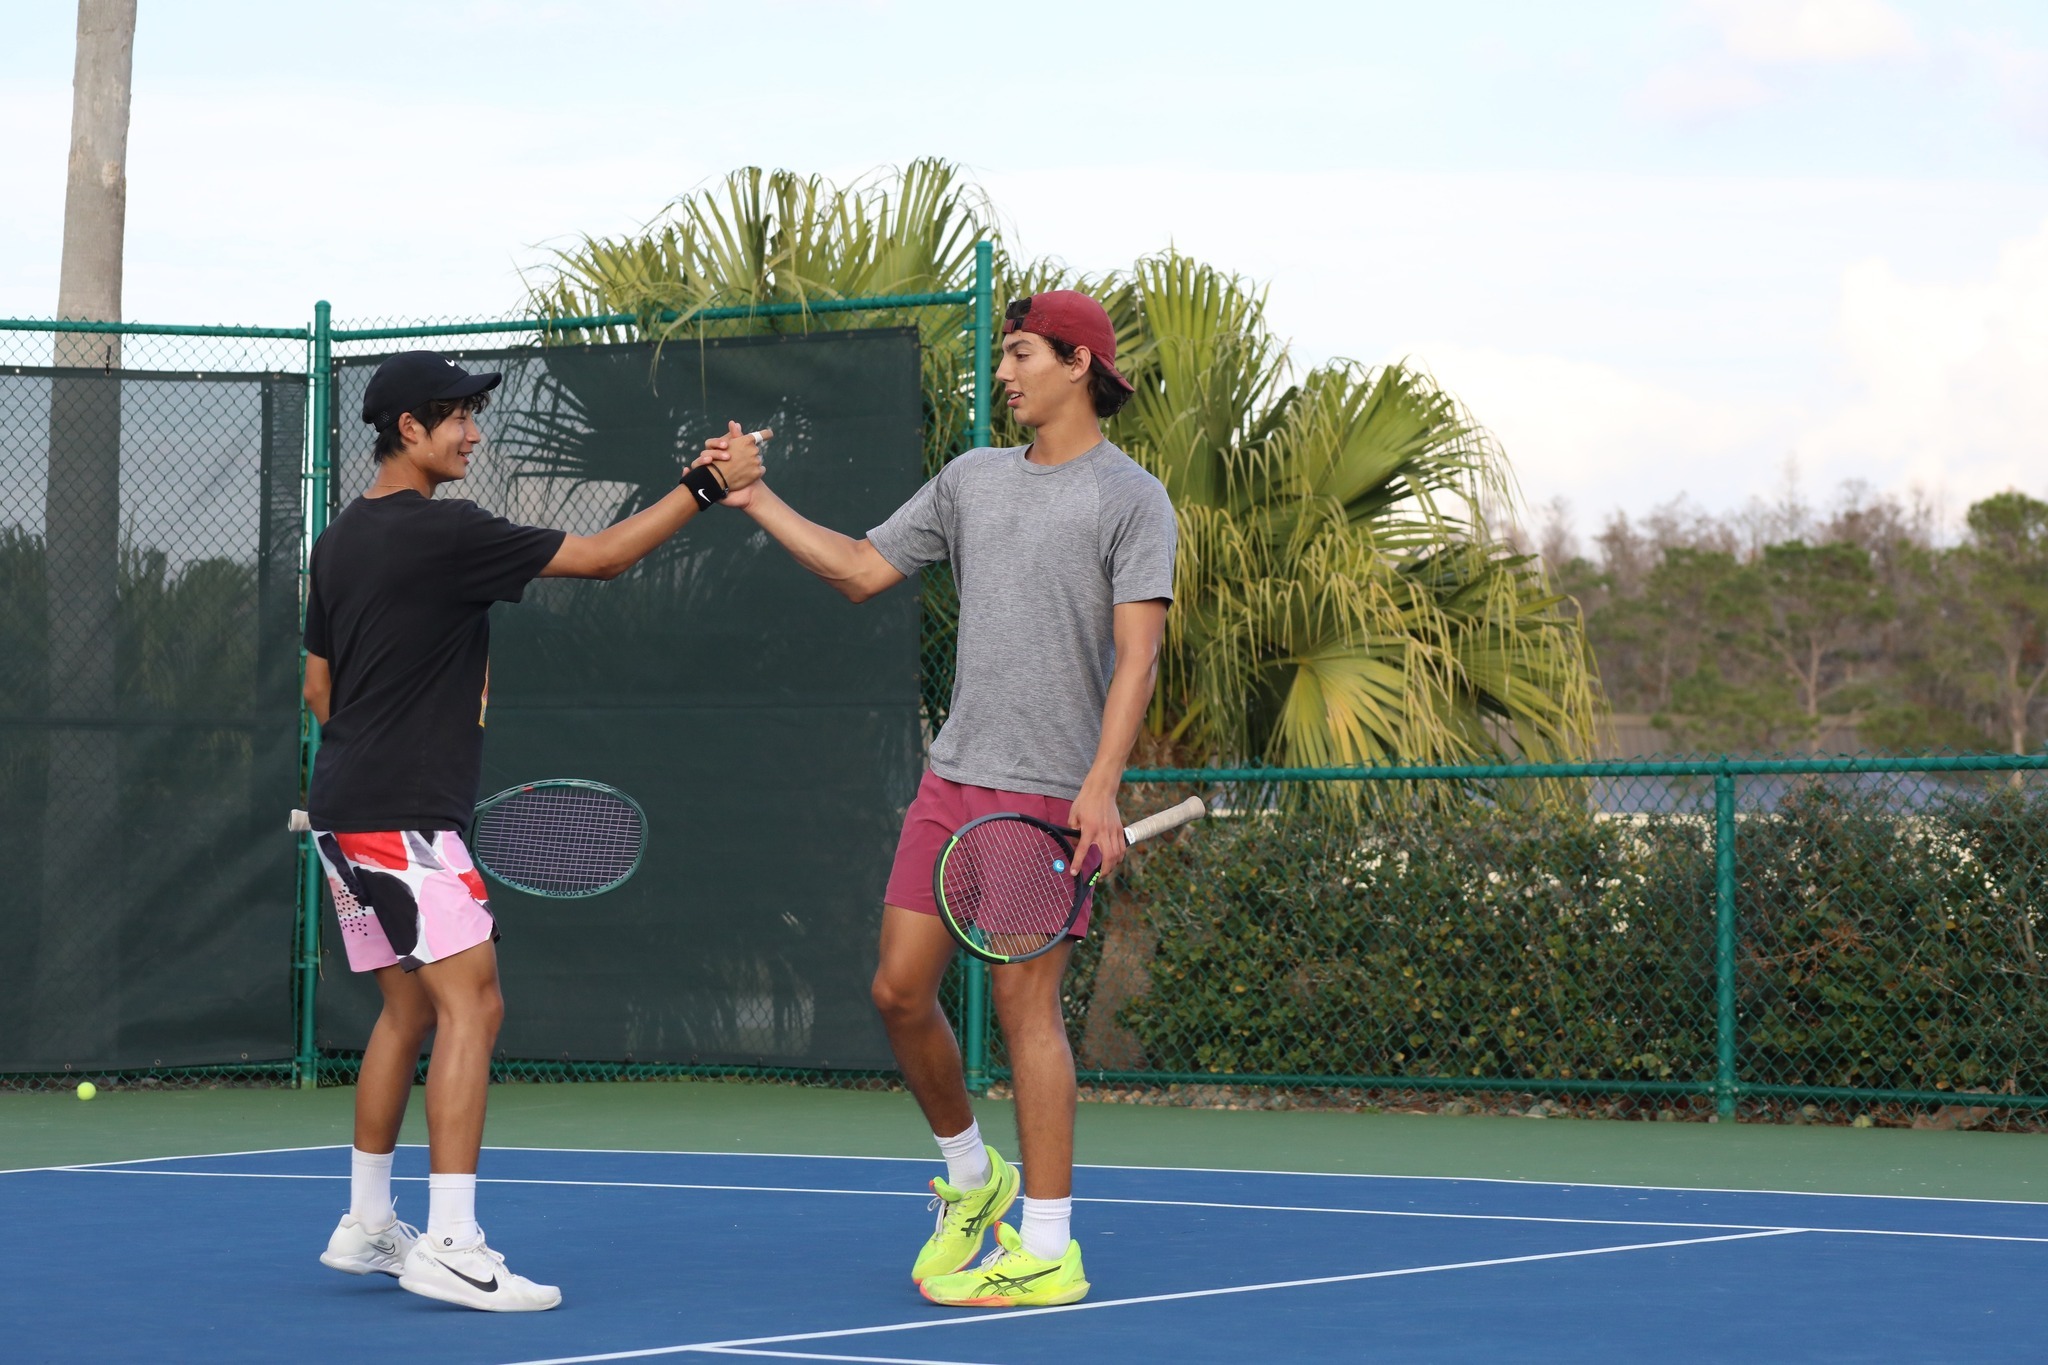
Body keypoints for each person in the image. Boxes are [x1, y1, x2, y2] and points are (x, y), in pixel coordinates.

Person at [696, 290, 1176, 1308]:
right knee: (896, 992)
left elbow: (1137, 655)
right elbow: (864, 569)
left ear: (1076, 363)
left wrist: (1099, 789)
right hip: (951, 779)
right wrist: (757, 500)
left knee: (1022, 1008)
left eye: (1016, 356)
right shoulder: (970, 481)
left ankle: (1048, 1246)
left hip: (1047, 793)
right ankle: (973, 1180)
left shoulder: (1131, 498)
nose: (1001, 376)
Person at [304, 350, 763, 1312]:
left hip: (346, 808)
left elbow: (319, 688)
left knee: (408, 1012)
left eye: (475, 413)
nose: (474, 432)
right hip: (403, 818)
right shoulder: (446, 534)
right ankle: (454, 1244)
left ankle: (367, 1223)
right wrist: (706, 482)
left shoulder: (339, 541)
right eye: (456, 417)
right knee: (475, 1007)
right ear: (406, 431)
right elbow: (604, 556)